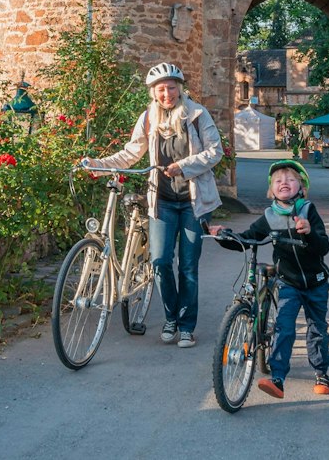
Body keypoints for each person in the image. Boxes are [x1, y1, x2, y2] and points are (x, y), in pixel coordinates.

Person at [79, 62, 222, 348]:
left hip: (193, 202)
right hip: (163, 201)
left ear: (180, 89)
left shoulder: (196, 114)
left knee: (189, 268)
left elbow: (214, 151)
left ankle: (186, 326)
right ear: (154, 93)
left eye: (171, 88)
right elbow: (131, 153)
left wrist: (183, 166)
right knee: (159, 263)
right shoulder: (148, 118)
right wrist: (99, 164)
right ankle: (170, 318)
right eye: (161, 90)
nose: (167, 94)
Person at [209, 159, 329, 399]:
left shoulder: (308, 211)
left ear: (301, 187)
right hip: (288, 281)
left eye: (290, 179)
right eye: (278, 180)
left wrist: (309, 233)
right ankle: (278, 378)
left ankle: (321, 372)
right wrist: (223, 236)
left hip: (315, 282)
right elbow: (247, 238)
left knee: (317, 329)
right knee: (283, 328)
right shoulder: (269, 216)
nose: (284, 183)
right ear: (271, 190)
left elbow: (323, 247)